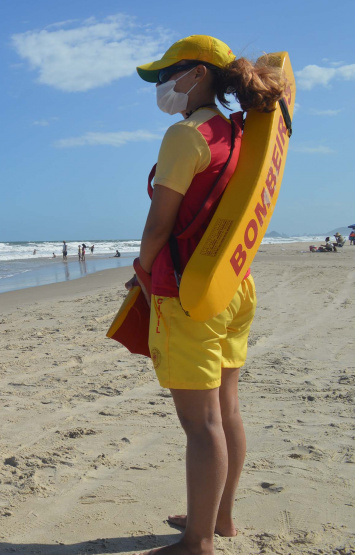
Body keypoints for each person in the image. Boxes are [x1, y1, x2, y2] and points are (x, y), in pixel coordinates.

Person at [128, 35, 286, 555]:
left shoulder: (185, 135)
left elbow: (158, 227)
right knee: (228, 410)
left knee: (202, 425)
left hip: (190, 291)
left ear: (198, 74)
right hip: (235, 284)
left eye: (166, 75)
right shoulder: (240, 131)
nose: (162, 86)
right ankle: (220, 518)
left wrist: (141, 273)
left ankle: (197, 542)